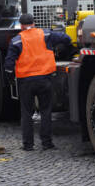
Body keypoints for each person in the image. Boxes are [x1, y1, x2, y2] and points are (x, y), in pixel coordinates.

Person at [4, 13, 71, 151]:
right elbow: (66, 38)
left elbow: (9, 64)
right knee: (46, 111)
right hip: (45, 79)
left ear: (21, 26)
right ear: (34, 23)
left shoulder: (16, 40)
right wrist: (61, 47)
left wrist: (10, 78)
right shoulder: (46, 34)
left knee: (27, 113)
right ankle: (47, 143)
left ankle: (28, 145)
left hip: (26, 82)